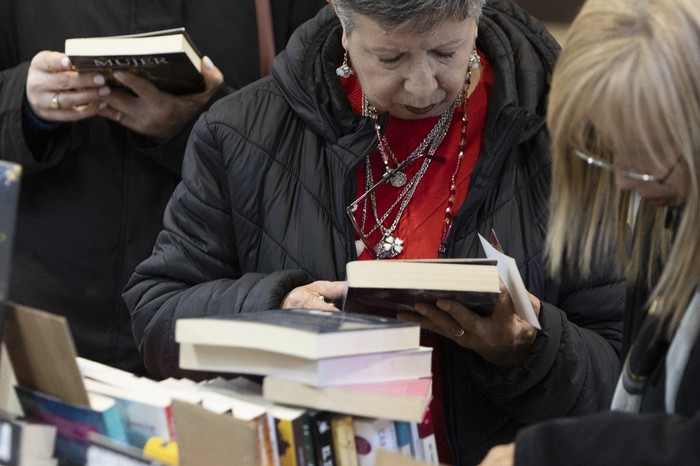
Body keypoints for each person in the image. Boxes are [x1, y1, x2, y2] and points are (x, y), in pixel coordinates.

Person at [123, 0, 625, 463]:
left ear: (477, 16)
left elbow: (624, 378)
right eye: (390, 59)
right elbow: (158, 318)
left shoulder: (564, 134)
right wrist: (276, 310)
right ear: (344, 27)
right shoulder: (239, 132)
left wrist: (524, 349)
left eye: (446, 52)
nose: (423, 85)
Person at [0, 0, 326, 376]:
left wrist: (202, 121)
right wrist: (24, 103)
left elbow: (311, 139)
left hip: (208, 309)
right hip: (44, 302)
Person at [478, 0, 700, 464]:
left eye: (646, 155)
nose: (622, 181)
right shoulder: (666, 212)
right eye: (606, 152)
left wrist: (548, 453)